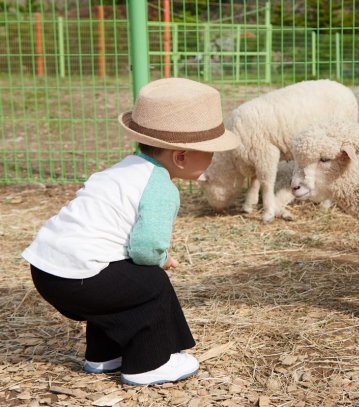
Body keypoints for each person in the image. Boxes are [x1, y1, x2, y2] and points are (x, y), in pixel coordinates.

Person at [21, 78, 240, 386]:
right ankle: (148, 365)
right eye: (208, 151)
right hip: (78, 277)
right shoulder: (161, 187)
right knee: (150, 283)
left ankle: (103, 356)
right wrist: (160, 259)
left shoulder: (122, 169)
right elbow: (146, 247)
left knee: (118, 279)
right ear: (181, 156)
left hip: (47, 271)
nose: (213, 157)